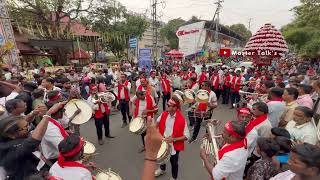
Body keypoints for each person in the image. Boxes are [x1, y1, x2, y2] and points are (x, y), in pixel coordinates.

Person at [0, 103, 64, 179]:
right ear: (11, 135)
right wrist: (48, 114)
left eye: (28, 125)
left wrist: (33, 113)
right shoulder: (9, 148)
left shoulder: (15, 135)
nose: (29, 129)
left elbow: (22, 122)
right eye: (26, 128)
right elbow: (33, 141)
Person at [155, 98, 190, 180]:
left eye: (168, 105)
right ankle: (162, 169)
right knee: (162, 157)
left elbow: (187, 136)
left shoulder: (182, 120)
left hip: (174, 145)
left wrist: (173, 139)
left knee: (174, 162)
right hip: (163, 141)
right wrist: (157, 132)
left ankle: (174, 177)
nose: (166, 106)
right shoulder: (164, 114)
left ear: (174, 108)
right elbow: (157, 122)